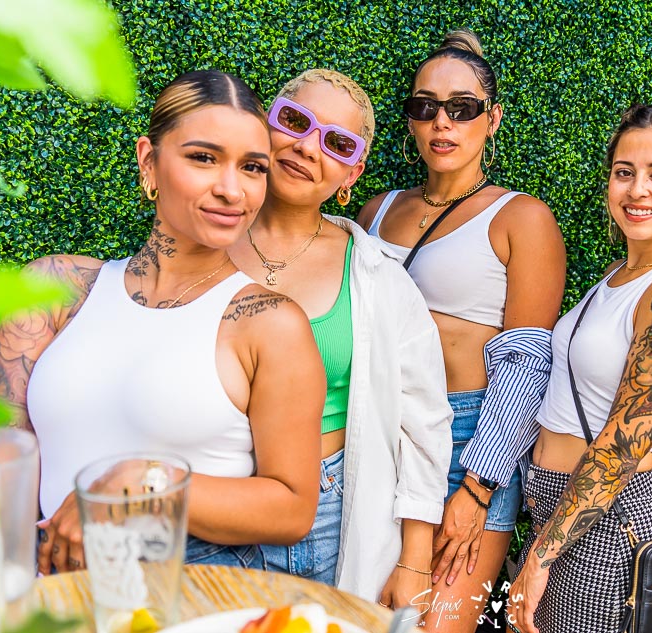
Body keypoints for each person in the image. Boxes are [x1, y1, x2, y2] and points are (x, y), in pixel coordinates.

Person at [0, 70, 326, 573]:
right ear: (149, 160)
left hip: (188, 589)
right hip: (47, 587)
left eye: (252, 167)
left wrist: (148, 482)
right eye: (203, 158)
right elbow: (4, 458)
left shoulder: (269, 324)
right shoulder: (56, 289)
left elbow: (292, 508)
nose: (232, 190)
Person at [358, 28, 566, 633]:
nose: (441, 123)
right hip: (379, 427)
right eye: (424, 106)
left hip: (468, 438)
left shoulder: (521, 217)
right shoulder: (375, 211)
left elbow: (529, 361)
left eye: (462, 108)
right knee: (370, 614)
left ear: (491, 118)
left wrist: (477, 487)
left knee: (434, 623)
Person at [228, 68, 452, 606]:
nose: (308, 147)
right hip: (213, 502)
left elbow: (422, 421)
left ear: (353, 171)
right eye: (294, 120)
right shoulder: (199, 243)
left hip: (327, 517)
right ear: (263, 124)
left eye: (337, 143)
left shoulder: (378, 277)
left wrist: (414, 559)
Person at [508, 101, 652, 633]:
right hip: (566, 510)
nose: (637, 190)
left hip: (610, 526)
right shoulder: (620, 273)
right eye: (624, 172)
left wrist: (541, 555)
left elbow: (624, 445)